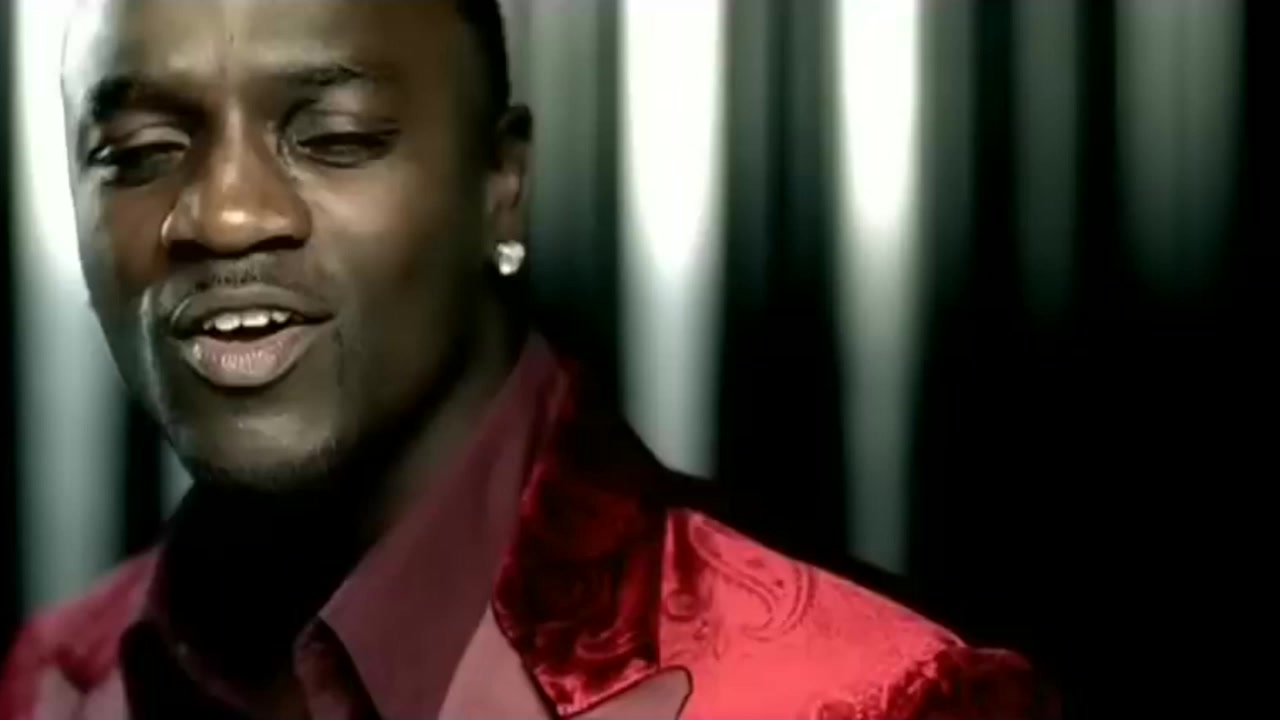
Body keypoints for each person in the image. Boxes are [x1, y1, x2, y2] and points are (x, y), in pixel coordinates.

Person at [1, 1, 1057, 718]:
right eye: (137, 154)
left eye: (335, 137)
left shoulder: (880, 699)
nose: (224, 215)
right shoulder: (57, 679)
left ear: (500, 187)